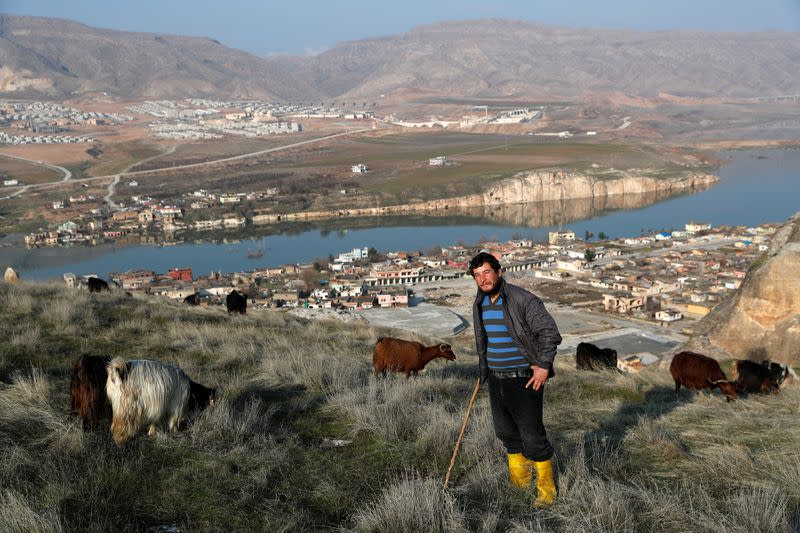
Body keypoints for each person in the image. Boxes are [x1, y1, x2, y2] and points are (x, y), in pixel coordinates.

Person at [469, 251, 562, 506]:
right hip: (497, 379)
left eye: (486, 272)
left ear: (499, 272)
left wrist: (543, 366)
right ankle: (519, 484)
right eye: (477, 276)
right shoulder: (480, 304)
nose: (483, 279)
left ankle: (546, 492)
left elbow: (549, 332)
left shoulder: (522, 299)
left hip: (524, 378)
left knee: (532, 436)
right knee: (506, 433)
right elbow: (484, 342)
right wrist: (484, 370)